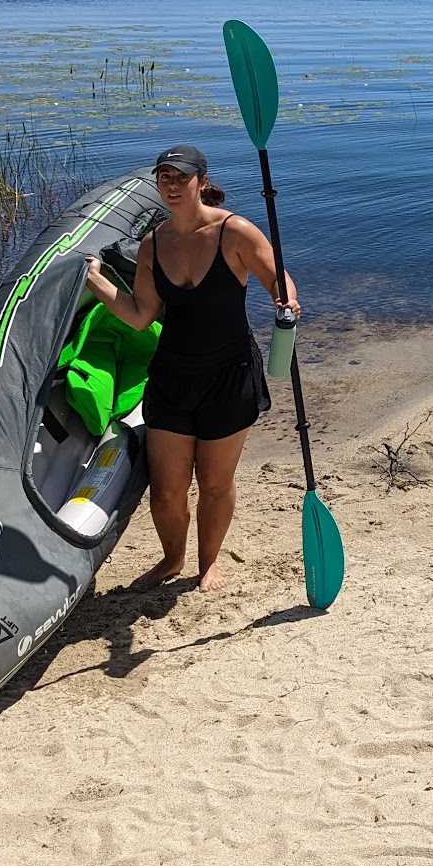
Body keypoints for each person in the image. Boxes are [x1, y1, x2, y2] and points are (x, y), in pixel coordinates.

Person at [81, 144, 297, 592]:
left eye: (181, 177)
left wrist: (286, 300)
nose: (173, 186)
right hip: (172, 378)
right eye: (165, 178)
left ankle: (208, 563)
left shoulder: (234, 231)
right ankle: (172, 559)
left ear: (202, 180)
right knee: (167, 489)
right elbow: (142, 314)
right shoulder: (153, 244)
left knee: (215, 484)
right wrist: (100, 284)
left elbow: (277, 275)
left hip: (229, 375)